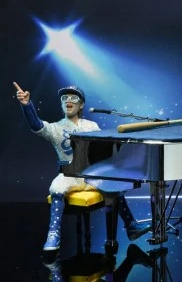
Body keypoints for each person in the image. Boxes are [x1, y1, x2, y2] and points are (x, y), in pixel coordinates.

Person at [13, 82, 151, 251]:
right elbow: (36, 125)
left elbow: (102, 150)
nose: (68, 101)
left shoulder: (91, 126)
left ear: (81, 105)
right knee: (56, 188)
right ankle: (53, 234)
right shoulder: (55, 128)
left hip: (91, 174)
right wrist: (27, 104)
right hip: (69, 175)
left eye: (73, 98)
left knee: (113, 185)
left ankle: (131, 225)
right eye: (65, 98)